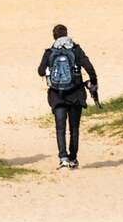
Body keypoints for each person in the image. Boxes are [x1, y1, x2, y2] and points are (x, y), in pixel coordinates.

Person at [37, 24, 98, 169]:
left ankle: (63, 158)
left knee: (60, 128)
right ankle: (73, 159)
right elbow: (89, 67)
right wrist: (93, 82)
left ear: (54, 36)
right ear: (67, 34)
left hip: (57, 95)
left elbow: (40, 71)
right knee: (74, 128)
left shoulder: (49, 52)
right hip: (76, 93)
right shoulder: (76, 49)